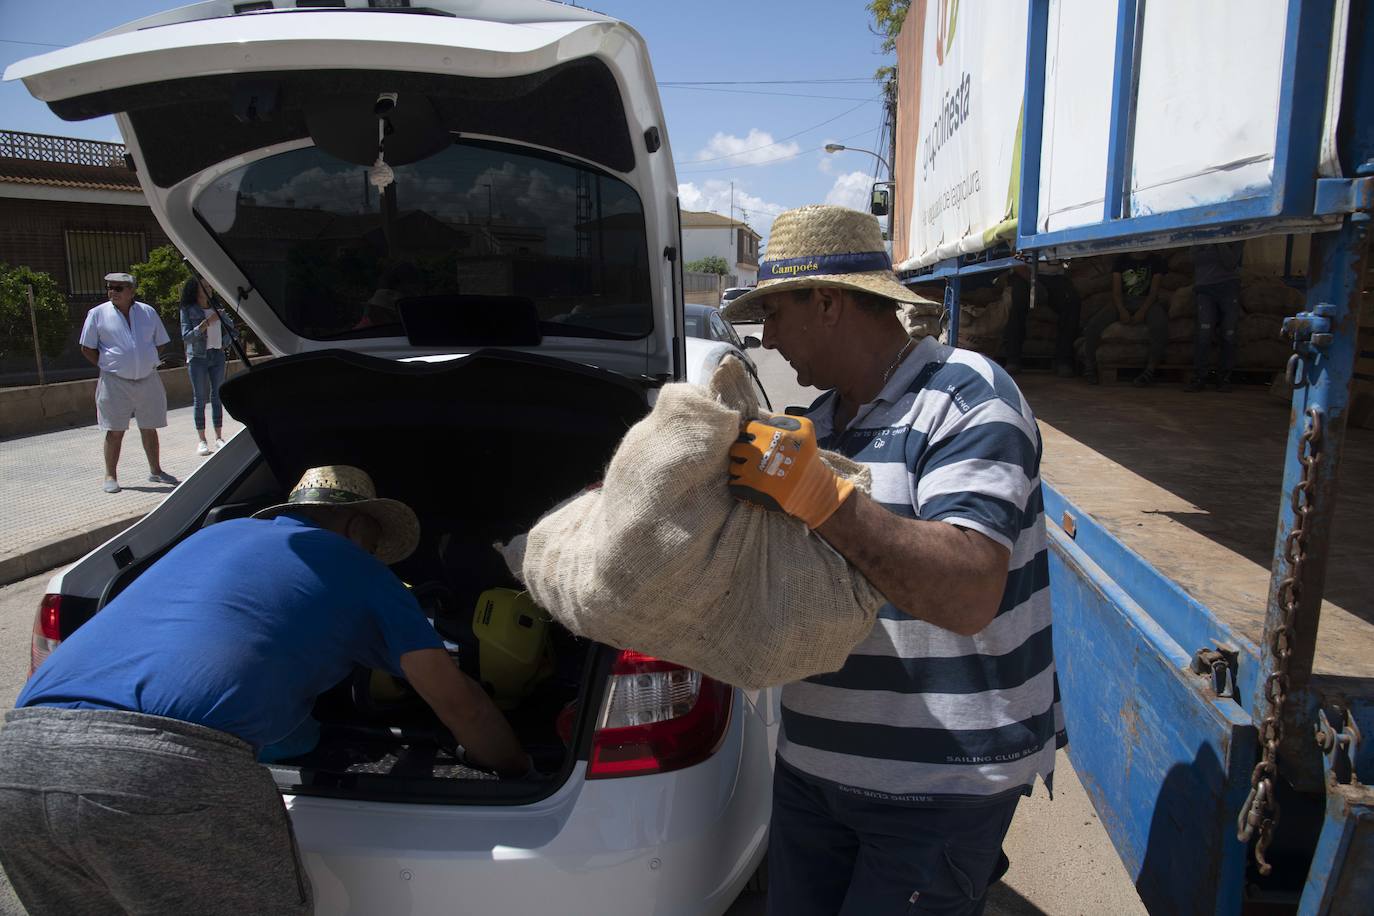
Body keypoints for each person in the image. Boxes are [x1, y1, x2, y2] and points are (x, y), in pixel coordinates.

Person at [721, 205, 1063, 916]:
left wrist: (819, 494)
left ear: (827, 301)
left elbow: (969, 592)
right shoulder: (816, 425)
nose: (767, 336)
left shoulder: (968, 398)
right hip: (813, 771)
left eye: (776, 313)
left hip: (938, 789)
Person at [0, 465, 530, 915]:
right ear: (353, 527)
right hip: (162, 773)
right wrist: (518, 772)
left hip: (18, 759)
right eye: (373, 545)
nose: (375, 558)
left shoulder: (207, 539)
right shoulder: (358, 569)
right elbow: (460, 704)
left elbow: (227, 676)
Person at [79, 272, 178, 492]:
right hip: (115, 381)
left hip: (147, 378)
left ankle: (156, 471)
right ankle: (110, 476)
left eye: (118, 288)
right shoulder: (97, 314)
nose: (112, 292)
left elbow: (159, 343)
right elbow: (87, 347)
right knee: (114, 429)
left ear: (131, 291)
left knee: (150, 427)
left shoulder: (147, 312)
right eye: (109, 287)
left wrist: (144, 359)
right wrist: (109, 364)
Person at [1081, 249, 1168, 386]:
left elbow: (1153, 293)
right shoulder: (1121, 260)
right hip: (1123, 300)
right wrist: (1121, 310)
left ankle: (1150, 371)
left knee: (1160, 325)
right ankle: (1090, 367)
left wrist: (1142, 311)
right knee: (1093, 325)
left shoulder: (1156, 261)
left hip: (1147, 301)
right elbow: (1116, 291)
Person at [180, 275, 237, 455]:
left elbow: (233, 331)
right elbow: (186, 337)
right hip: (198, 357)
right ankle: (202, 440)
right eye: (204, 287)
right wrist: (205, 324)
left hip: (217, 355)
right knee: (200, 398)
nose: (209, 290)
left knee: (217, 396)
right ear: (195, 290)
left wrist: (224, 342)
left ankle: (219, 437)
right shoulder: (188, 310)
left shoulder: (217, 309)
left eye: (210, 287)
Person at [1002, 260, 1081, 377]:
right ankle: (1013, 359)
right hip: (1025, 275)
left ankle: (1063, 361)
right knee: (1017, 302)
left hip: (1055, 277)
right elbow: (1015, 259)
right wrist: (1032, 281)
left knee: (1072, 301)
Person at [1185, 240, 1245, 392]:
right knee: (1204, 331)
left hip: (1228, 287)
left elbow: (1231, 262)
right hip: (1205, 288)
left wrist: (1219, 242)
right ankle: (1200, 376)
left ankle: (1224, 377)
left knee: (1229, 332)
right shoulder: (1202, 233)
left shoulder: (1238, 234)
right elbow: (1192, 259)